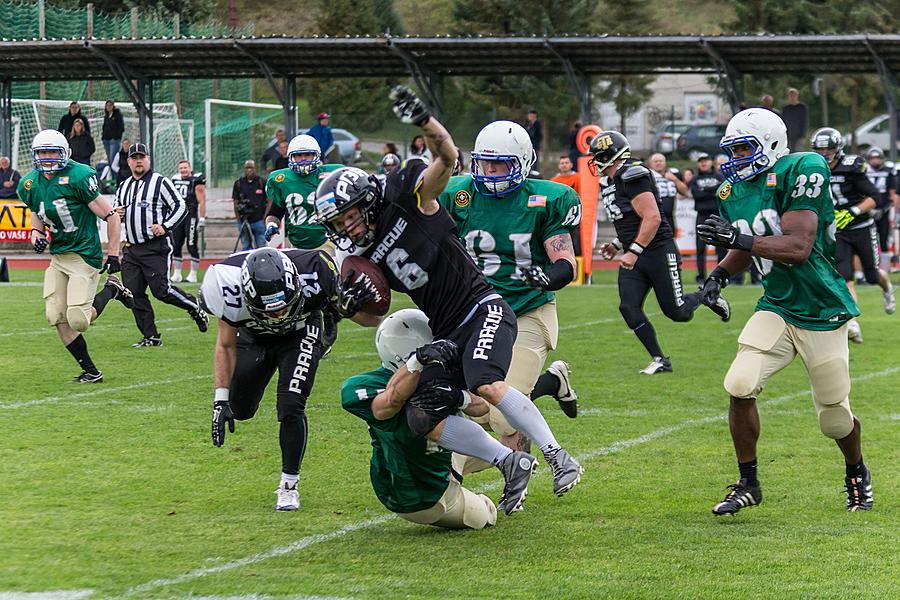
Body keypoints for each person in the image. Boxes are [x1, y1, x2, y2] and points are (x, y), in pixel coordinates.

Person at [315, 85, 584, 502]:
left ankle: (558, 455)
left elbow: (446, 156)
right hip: (446, 331)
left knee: (490, 386)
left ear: (368, 203)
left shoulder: (409, 197)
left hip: (482, 307)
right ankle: (509, 461)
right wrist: (346, 307)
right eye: (338, 222)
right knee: (423, 414)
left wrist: (424, 120)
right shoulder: (362, 251)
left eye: (350, 216)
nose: (347, 228)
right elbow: (374, 312)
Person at [696, 108, 872, 515]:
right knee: (739, 384)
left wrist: (737, 237)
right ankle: (749, 483)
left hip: (822, 307)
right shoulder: (731, 192)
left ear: (772, 145)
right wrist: (718, 277)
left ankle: (856, 471)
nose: (735, 158)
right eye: (732, 149)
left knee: (834, 419)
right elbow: (743, 248)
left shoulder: (804, 167)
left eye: (744, 148)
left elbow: (797, 247)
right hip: (776, 305)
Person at [440, 120, 582, 456]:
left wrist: (547, 278)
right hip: (475, 313)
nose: (489, 172)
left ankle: (515, 477)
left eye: (500, 164)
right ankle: (551, 383)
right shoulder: (457, 195)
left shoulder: (547, 198)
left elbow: (565, 262)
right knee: (467, 405)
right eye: (484, 163)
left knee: (503, 418)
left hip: (526, 309)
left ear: (522, 162)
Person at [201, 247, 375, 510]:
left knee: (291, 404)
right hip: (253, 337)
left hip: (301, 331)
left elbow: (372, 319)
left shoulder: (316, 270)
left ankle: (289, 484)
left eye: (282, 308)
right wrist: (220, 399)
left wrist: (346, 308)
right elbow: (225, 345)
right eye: (270, 311)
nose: (278, 316)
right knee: (240, 409)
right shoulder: (227, 285)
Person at [343, 308, 545, 524]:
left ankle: (511, 460)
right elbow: (389, 403)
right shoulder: (368, 386)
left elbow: (482, 407)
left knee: (500, 438)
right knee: (487, 515)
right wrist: (417, 363)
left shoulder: (440, 369)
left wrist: (459, 398)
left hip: (445, 453)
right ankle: (548, 387)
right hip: (421, 492)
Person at [592, 131, 730, 374]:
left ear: (610, 156)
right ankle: (659, 359)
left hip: (657, 251)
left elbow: (653, 218)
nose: (595, 161)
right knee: (628, 307)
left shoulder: (632, 175)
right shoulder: (611, 182)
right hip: (638, 252)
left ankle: (706, 295)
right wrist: (616, 243)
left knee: (677, 312)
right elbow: (630, 221)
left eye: (599, 156)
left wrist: (632, 250)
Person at [18, 129, 132, 383]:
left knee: (78, 320)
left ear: (65, 153)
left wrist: (113, 253)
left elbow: (111, 215)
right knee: (55, 317)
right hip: (59, 256)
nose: (47, 158)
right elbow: (36, 214)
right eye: (42, 152)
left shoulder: (79, 175)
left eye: (52, 152)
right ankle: (91, 371)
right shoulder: (28, 184)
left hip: (83, 254)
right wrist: (36, 236)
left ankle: (111, 290)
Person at [115, 143, 208, 347]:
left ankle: (193, 306)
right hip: (131, 248)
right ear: (129, 161)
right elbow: (116, 212)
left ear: (148, 159)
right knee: (133, 294)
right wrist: (117, 214)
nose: (138, 160)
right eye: (134, 157)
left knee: (162, 291)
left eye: (142, 157)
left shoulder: (160, 182)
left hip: (155, 247)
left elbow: (180, 207)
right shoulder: (123, 186)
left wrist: (165, 226)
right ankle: (151, 337)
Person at [809, 127, 895, 343]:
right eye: (820, 149)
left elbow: (874, 197)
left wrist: (852, 211)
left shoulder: (852, 167)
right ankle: (852, 323)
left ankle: (887, 288)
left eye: (828, 149)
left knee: (872, 275)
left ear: (838, 149)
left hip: (862, 227)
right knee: (845, 277)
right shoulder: (813, 169)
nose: (824, 153)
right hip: (838, 232)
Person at [264, 135, 342, 253]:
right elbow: (275, 212)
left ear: (316, 155)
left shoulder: (330, 175)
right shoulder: (283, 180)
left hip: (327, 241)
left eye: (307, 155)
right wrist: (271, 224)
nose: (303, 159)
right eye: (299, 155)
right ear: (291, 157)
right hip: (296, 245)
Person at [690, 153, 726, 284]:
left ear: (711, 162)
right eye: (701, 161)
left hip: (717, 215)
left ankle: (720, 276)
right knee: (700, 248)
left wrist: (704, 190)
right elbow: (696, 194)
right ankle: (701, 276)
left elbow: (720, 193)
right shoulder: (695, 179)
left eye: (706, 160)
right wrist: (711, 191)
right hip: (702, 215)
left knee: (721, 247)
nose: (703, 163)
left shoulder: (719, 176)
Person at [171, 160, 206, 283]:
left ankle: (193, 274)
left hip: (190, 215)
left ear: (190, 168)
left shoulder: (196, 179)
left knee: (191, 245)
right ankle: (177, 274)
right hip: (178, 216)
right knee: (175, 245)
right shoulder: (175, 179)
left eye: (185, 167)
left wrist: (202, 218)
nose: (183, 170)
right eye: (181, 168)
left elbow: (202, 200)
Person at [864, 147, 895, 272]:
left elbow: (892, 193)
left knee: (884, 239)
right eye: (873, 158)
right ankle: (871, 268)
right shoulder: (864, 171)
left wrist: (885, 209)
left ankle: (885, 269)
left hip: (884, 210)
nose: (875, 161)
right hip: (868, 210)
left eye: (877, 158)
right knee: (868, 240)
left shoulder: (888, 171)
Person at [231, 160, 269, 251]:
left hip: (258, 219)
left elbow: (270, 200)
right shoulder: (238, 183)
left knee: (261, 247)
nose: (249, 170)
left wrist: (265, 216)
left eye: (251, 167)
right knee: (246, 247)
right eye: (247, 168)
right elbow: (235, 202)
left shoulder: (262, 182)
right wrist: (238, 219)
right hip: (244, 219)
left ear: (255, 168)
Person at [647, 152, 688, 229]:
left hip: (670, 216)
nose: (658, 163)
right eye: (656, 161)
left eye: (661, 161)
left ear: (665, 162)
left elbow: (685, 191)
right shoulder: (648, 176)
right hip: (655, 217)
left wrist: (675, 180)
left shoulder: (672, 174)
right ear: (650, 164)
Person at [781, 88, 808, 153]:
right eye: (790, 95)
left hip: (799, 135)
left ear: (797, 96)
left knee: (798, 152)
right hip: (788, 135)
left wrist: (802, 133)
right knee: (788, 153)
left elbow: (805, 121)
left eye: (794, 95)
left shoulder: (802, 107)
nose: (792, 97)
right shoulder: (786, 108)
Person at [101, 100, 125, 166]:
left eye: (110, 105)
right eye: (107, 105)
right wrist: (103, 137)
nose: (108, 107)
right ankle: (112, 175)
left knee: (113, 160)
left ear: (113, 106)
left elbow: (121, 127)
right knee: (109, 160)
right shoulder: (106, 116)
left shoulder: (117, 114)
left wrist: (116, 136)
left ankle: (116, 175)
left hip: (114, 140)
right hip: (106, 140)